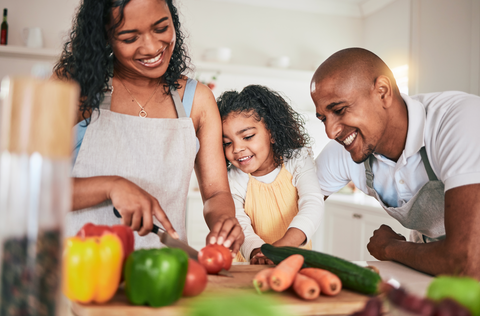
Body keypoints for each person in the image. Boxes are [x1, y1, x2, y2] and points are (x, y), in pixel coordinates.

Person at [54, 0, 244, 254]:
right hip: (82, 268)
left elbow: (216, 193)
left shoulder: (197, 99)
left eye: (161, 28)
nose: (153, 47)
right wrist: (111, 186)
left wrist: (223, 221)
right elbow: (35, 189)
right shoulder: (77, 87)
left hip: (166, 267)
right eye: (130, 38)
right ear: (105, 37)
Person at [311, 47, 480, 278]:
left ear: (383, 92)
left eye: (339, 110)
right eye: (323, 119)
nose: (331, 132)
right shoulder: (347, 148)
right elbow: (291, 207)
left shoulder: (460, 120)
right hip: (434, 269)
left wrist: (390, 248)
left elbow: (466, 261)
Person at [216, 85, 324, 264]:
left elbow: (312, 204)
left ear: (272, 133)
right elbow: (240, 224)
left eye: (248, 136)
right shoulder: (234, 177)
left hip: (295, 260)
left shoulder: (297, 160)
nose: (237, 149)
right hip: (251, 263)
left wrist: (282, 247)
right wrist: (259, 253)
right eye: (227, 143)